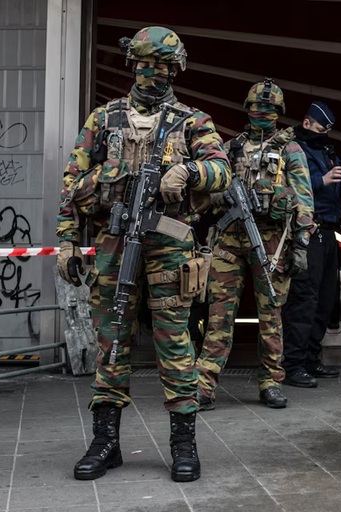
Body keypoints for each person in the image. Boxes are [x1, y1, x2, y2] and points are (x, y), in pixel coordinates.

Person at [56, 26, 231, 483]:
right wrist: (68, 239)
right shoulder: (104, 118)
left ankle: (183, 443)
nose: (152, 73)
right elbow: (72, 183)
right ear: (132, 64)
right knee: (111, 341)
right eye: (145, 64)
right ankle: (105, 441)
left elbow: (222, 171)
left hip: (169, 245)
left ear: (176, 69)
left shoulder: (192, 121)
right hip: (115, 243)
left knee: (174, 342)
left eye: (162, 66)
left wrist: (188, 171)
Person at [195, 79, 315, 410]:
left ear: (279, 112)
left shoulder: (291, 150)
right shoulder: (231, 148)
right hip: (230, 239)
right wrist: (223, 196)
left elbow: (304, 199)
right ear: (247, 109)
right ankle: (204, 384)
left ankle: (271, 381)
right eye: (257, 107)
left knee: (271, 316)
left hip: (271, 241)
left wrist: (302, 241)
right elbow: (208, 194)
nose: (262, 112)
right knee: (219, 314)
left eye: (269, 108)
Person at [282, 101, 341, 388]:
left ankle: (311, 358)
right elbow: (289, 186)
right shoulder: (293, 150)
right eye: (321, 127)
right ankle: (293, 364)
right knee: (304, 299)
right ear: (306, 123)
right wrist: (321, 180)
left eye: (327, 129)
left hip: (328, 231)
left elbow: (329, 191)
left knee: (325, 301)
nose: (324, 133)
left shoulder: (327, 151)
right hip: (307, 231)